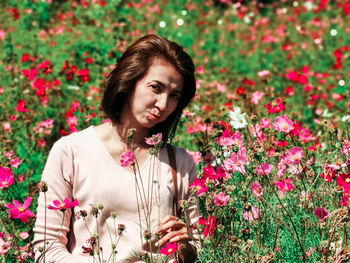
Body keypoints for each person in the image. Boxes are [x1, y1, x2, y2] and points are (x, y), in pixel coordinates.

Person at [33, 34, 199, 263]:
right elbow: (46, 249)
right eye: (155, 88)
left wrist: (186, 247)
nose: (162, 104)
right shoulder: (71, 151)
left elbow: (199, 248)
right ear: (129, 80)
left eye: (174, 96)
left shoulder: (180, 163)